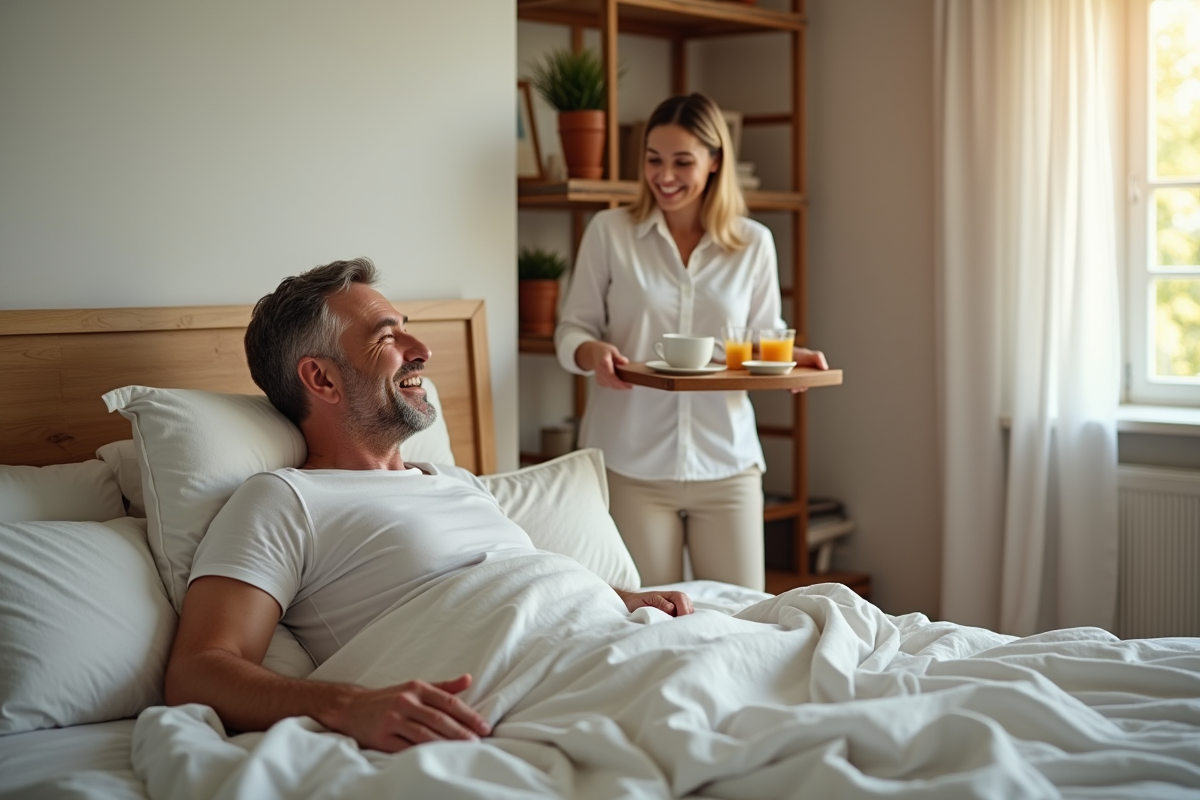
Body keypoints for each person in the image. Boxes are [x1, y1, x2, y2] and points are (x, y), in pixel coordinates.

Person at [163, 258, 694, 754]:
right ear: (321, 378)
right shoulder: (285, 499)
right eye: (387, 337)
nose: (422, 350)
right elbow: (199, 670)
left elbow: (519, 583)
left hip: (617, 645)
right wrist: (346, 705)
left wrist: (625, 598)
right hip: (539, 697)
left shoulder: (458, 482)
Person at [554, 93, 828, 593]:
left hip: (727, 462)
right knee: (650, 621)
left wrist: (792, 359)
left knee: (744, 619)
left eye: (683, 161)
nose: (665, 176)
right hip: (630, 463)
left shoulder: (752, 243)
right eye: (653, 160)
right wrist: (591, 353)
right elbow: (571, 329)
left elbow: (763, 336)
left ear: (715, 161)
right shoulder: (609, 232)